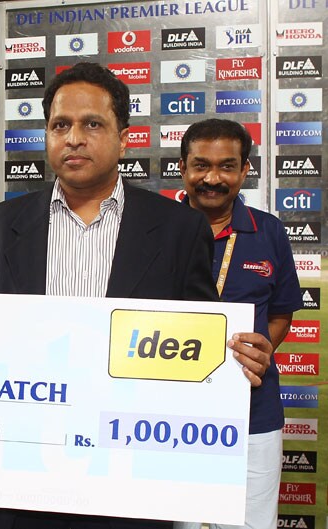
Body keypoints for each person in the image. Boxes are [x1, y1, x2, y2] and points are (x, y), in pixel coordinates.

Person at [0, 61, 223, 528]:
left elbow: (203, 346)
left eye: (92, 124)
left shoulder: (181, 231)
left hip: (131, 482)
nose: (73, 137)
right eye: (60, 124)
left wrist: (235, 357)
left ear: (124, 138)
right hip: (18, 480)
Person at [176, 118, 302, 529]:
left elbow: (281, 312)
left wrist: (260, 350)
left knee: (250, 523)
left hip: (253, 412)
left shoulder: (270, 232)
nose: (213, 178)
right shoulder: (157, 230)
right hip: (168, 415)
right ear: (183, 168)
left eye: (227, 166)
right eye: (201, 166)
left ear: (245, 170)